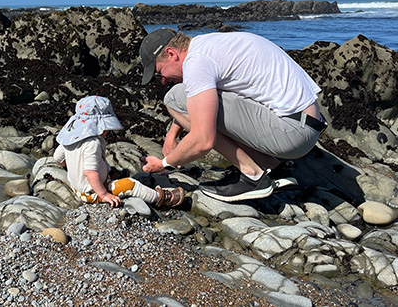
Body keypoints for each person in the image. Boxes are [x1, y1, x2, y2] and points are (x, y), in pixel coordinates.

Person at [140, 28, 327, 202]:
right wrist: (172, 134)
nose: (163, 80)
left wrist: (164, 164)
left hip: (291, 132)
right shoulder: (207, 46)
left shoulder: (196, 63)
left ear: (172, 54)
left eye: (159, 72)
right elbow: (201, 102)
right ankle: (274, 169)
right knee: (187, 98)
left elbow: (203, 140)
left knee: (174, 96)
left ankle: (252, 176)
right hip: (304, 124)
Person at [53, 95, 185, 208]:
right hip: (90, 192)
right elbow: (90, 172)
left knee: (101, 164)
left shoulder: (69, 138)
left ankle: (111, 174)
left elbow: (58, 159)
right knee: (132, 184)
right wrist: (104, 194)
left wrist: (73, 167)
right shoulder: (92, 143)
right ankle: (161, 199)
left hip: (76, 187)